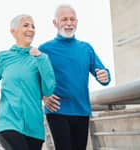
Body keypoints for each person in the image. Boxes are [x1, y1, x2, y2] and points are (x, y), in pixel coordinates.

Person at [31, 4, 111, 150]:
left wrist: (105, 76)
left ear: (77, 22)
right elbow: (33, 80)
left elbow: (103, 74)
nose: (69, 23)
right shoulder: (44, 49)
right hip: (57, 111)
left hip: (82, 110)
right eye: (64, 19)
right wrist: (44, 97)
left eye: (72, 19)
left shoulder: (86, 48)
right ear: (55, 23)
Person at [0, 14, 55, 150]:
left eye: (33, 26)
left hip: (34, 126)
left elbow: (48, 89)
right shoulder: (3, 57)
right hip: (8, 123)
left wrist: (41, 60)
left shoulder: (41, 58)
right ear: (13, 31)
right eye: (26, 25)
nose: (31, 29)